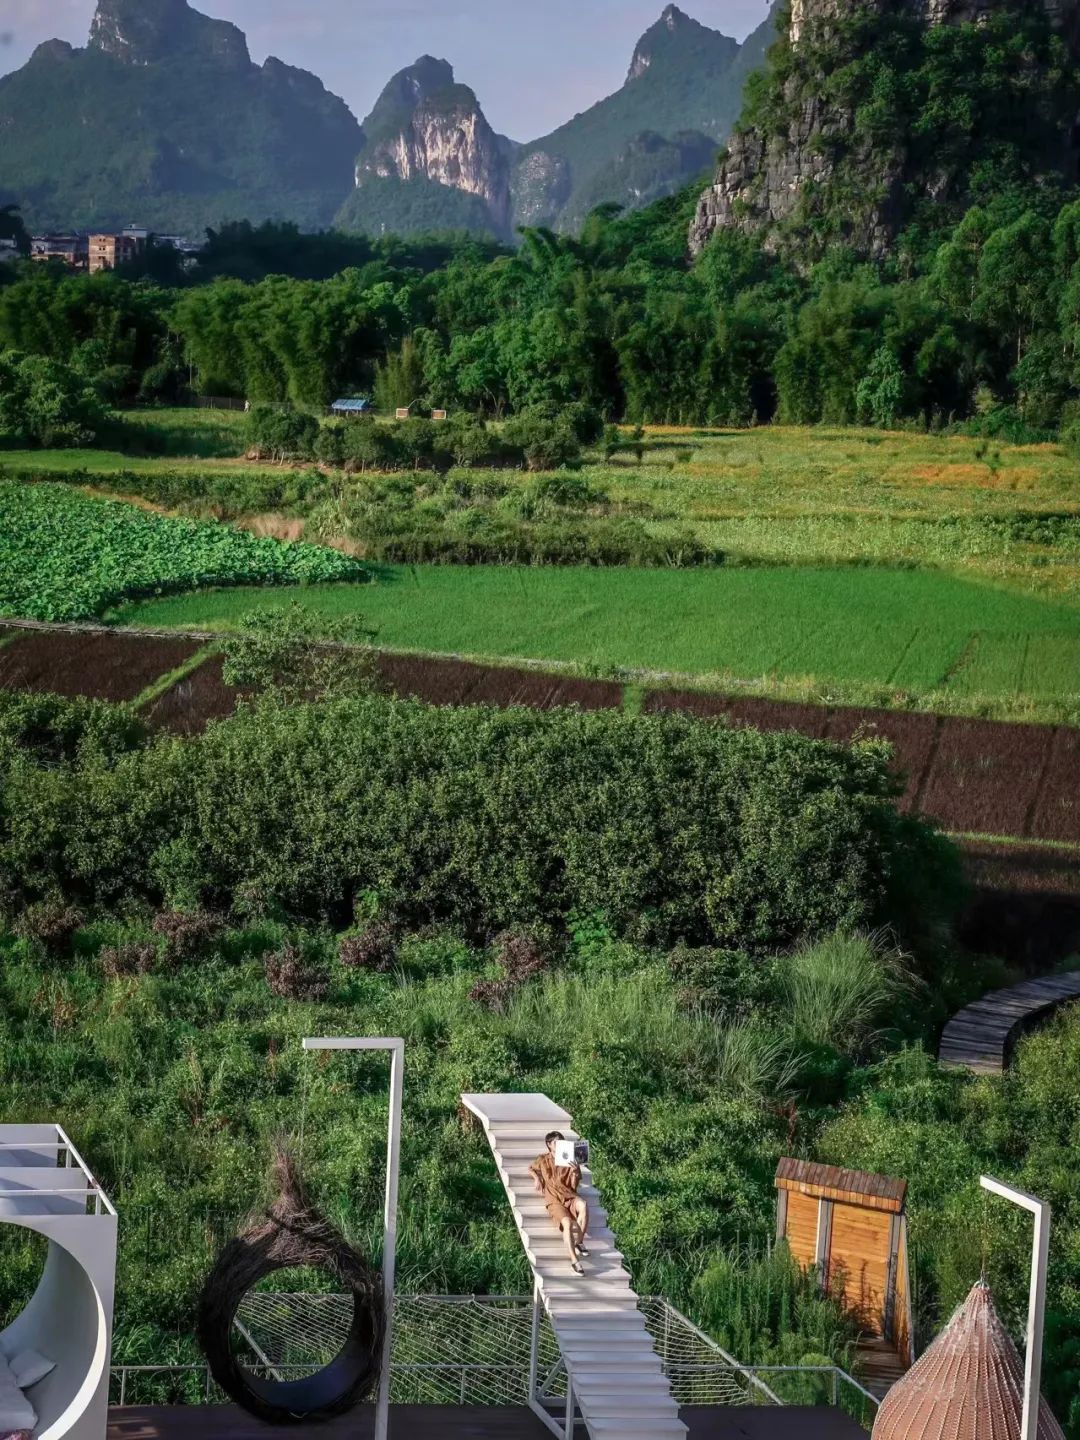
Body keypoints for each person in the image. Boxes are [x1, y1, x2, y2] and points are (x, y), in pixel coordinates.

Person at [529, 1130, 590, 1275]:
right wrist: (536, 1178)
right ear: (549, 1145)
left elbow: (574, 1187)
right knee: (567, 1223)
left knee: (584, 1206)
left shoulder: (569, 1159)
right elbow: (531, 1168)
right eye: (556, 1142)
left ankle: (579, 1241)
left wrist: (575, 1172)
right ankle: (574, 1261)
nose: (559, 1144)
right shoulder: (543, 1159)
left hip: (569, 1195)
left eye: (561, 1141)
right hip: (554, 1199)